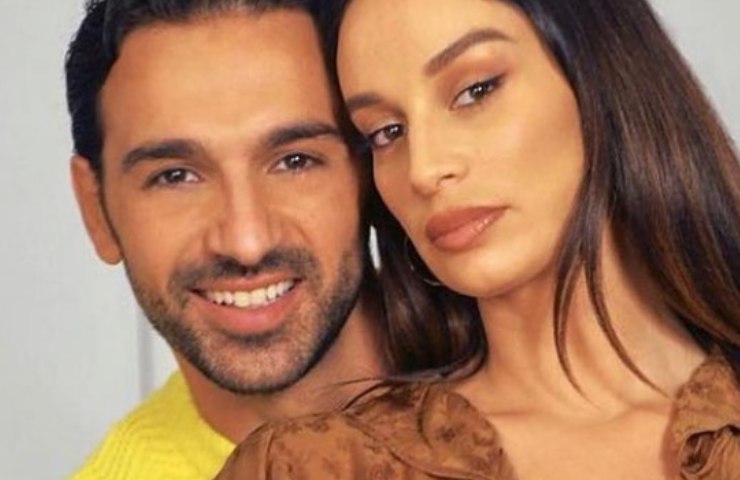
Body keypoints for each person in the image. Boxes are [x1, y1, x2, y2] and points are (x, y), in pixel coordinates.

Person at [216, 0, 740, 478]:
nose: (423, 170)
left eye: (475, 91)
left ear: (602, 75)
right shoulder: (319, 468)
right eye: (386, 132)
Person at [64, 0, 392, 478]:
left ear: (370, 171)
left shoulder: (510, 365)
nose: (246, 242)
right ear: (96, 210)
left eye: (295, 161)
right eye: (175, 176)